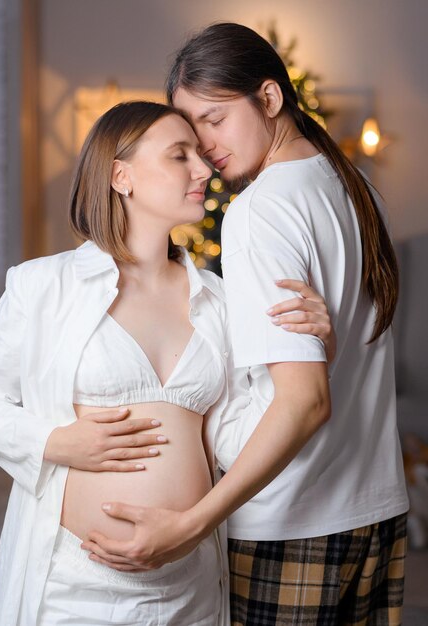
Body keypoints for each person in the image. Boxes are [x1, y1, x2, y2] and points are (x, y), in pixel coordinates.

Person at [0, 100, 334, 626]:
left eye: (201, 155)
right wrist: (55, 442)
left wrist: (314, 352)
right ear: (121, 176)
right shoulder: (44, 285)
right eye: (180, 155)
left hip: (190, 585)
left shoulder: (220, 301)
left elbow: (233, 438)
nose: (204, 169)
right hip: (70, 587)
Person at [82, 23, 410, 626]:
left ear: (268, 99)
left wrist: (191, 523)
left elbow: (304, 403)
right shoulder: (354, 185)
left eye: (214, 118)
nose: (205, 147)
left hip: (293, 522)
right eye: (190, 128)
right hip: (375, 510)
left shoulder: (261, 210)